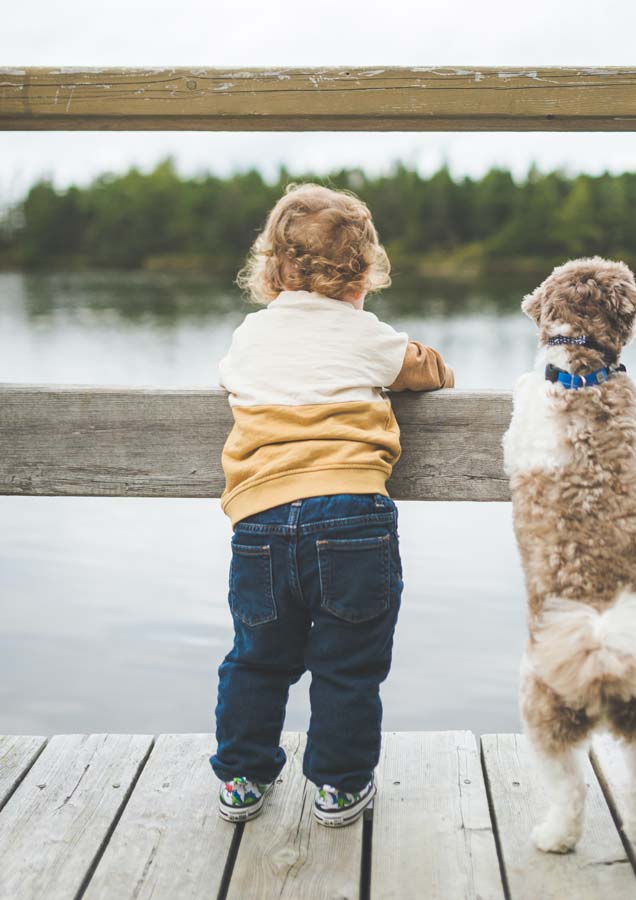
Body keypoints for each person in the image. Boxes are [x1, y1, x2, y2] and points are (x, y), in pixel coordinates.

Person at [209, 182, 454, 827]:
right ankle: (340, 788)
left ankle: (241, 777)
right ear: (365, 272)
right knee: (349, 665)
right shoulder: (366, 334)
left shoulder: (249, 337)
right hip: (351, 517)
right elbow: (428, 371)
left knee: (257, 658)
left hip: (259, 521)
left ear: (270, 270)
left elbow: (229, 377)